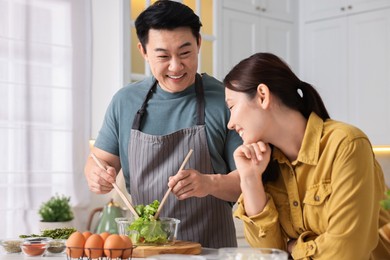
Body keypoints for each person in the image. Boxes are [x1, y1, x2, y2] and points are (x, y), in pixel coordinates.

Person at [84, 0, 242, 248]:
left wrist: (209, 183)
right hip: (146, 250)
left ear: (199, 43)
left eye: (185, 53)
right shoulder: (125, 102)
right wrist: (96, 176)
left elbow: (248, 183)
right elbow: (98, 162)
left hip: (212, 251)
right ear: (144, 51)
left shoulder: (226, 100)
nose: (176, 66)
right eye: (163, 56)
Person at [223, 52, 390, 259]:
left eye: (232, 106)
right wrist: (250, 178)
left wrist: (294, 249)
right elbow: (267, 254)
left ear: (262, 96)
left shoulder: (346, 144)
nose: (230, 123)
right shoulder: (266, 164)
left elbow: (347, 251)